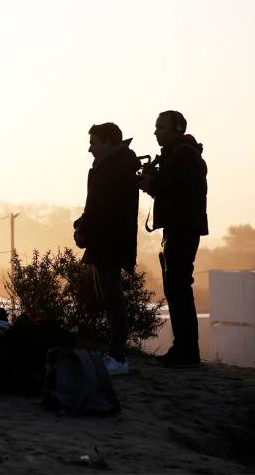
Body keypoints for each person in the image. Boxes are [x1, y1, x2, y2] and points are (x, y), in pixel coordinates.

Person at [140, 110, 208, 368]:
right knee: (176, 288)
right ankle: (183, 349)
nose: (156, 131)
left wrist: (152, 184)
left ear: (176, 129)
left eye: (161, 127)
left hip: (182, 228)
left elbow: (179, 189)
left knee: (178, 288)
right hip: (179, 227)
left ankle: (187, 352)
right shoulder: (181, 154)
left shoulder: (184, 155)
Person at [73, 122, 140, 376]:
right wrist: (83, 225)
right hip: (108, 239)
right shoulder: (115, 166)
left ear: (109, 143)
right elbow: (96, 205)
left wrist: (83, 229)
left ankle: (118, 356)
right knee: (109, 297)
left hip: (109, 240)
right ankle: (115, 353)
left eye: (94, 142)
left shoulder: (112, 169)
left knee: (112, 297)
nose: (90, 148)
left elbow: (100, 206)